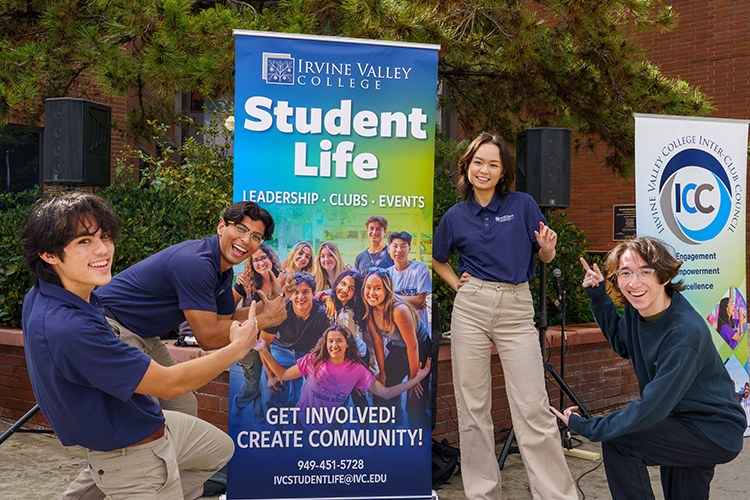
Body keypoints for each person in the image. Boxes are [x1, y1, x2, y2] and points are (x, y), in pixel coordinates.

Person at [19, 192, 259, 499]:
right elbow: (170, 383)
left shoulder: (49, 293)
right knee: (170, 421)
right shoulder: (71, 329)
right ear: (49, 255)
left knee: (219, 449)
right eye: (84, 242)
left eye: (104, 236)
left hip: (147, 423)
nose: (103, 250)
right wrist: (238, 348)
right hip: (135, 453)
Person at [432, 132, 577, 500]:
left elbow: (544, 257)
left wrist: (546, 250)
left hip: (516, 307)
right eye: (478, 162)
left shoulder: (524, 204)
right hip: (472, 308)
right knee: (473, 408)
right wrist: (459, 286)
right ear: (467, 166)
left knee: (533, 407)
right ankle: (483, 493)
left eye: (493, 164)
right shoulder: (455, 216)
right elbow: (438, 258)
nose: (485, 170)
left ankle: (557, 495)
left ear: (503, 172)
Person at [551, 237, 746, 500]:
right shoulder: (637, 309)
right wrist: (598, 297)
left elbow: (653, 406)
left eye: (645, 272)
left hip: (712, 428)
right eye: (625, 273)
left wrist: (590, 427)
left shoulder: (684, 333)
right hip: (681, 419)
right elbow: (623, 343)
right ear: (617, 279)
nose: (634, 282)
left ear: (664, 277)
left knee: (620, 441)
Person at [256, 324, 431, 431]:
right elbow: (282, 374)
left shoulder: (357, 370)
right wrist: (264, 349)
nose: (334, 345)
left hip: (332, 429)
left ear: (347, 344)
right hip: (302, 424)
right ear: (325, 343)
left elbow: (385, 393)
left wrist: (416, 379)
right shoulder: (314, 361)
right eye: (330, 341)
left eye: (339, 340)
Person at [363, 268, 431, 429]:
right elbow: (378, 342)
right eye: (368, 287)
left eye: (377, 288)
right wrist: (383, 372)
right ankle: (384, 437)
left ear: (387, 290)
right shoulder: (370, 310)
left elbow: (413, 345)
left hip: (419, 349)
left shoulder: (398, 310)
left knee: (414, 402)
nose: (371, 292)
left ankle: (420, 443)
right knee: (381, 392)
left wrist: (414, 379)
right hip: (398, 349)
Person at [258, 272, 331, 415]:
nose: (300, 297)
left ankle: (300, 428)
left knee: (304, 397)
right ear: (291, 294)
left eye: (305, 292)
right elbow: (263, 342)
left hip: (308, 354)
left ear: (314, 294)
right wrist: (271, 374)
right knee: (270, 394)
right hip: (280, 350)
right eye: (296, 293)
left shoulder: (322, 314)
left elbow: (325, 349)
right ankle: (273, 431)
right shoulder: (281, 311)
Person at [232, 243, 282, 424]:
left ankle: (259, 419)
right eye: (255, 260)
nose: (260, 263)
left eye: (263, 258)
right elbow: (228, 307)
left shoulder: (280, 278)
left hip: (271, 340)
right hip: (251, 341)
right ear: (251, 263)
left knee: (264, 383)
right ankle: (238, 405)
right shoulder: (245, 282)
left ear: (271, 258)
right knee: (253, 383)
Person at [386, 231, 432, 334]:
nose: (399, 250)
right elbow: (384, 303)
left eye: (403, 246)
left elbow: (420, 301)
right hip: (397, 332)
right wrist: (413, 300)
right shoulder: (387, 274)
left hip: (420, 330)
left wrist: (392, 297)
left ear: (409, 249)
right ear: (389, 249)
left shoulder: (421, 269)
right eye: (395, 246)